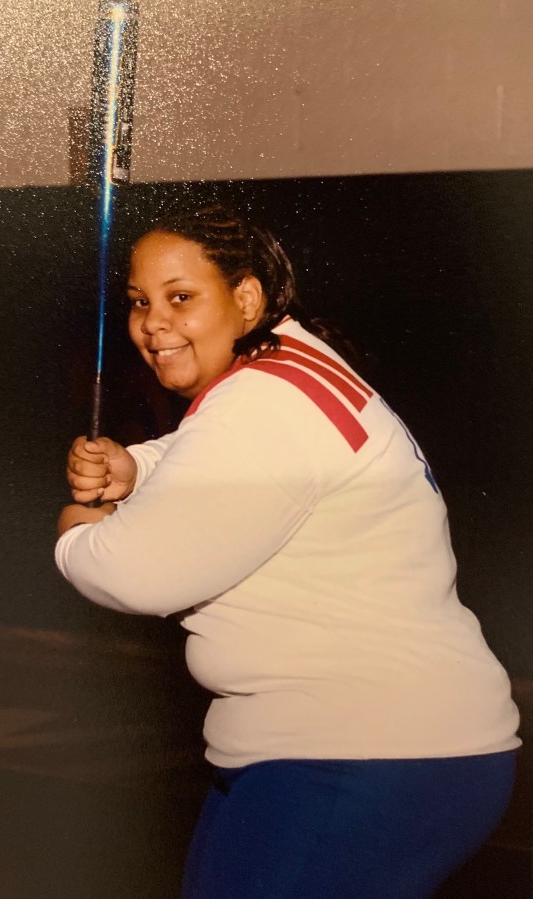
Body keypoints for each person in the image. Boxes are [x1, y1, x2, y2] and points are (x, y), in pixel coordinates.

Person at [55, 205, 521, 899]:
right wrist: (139, 469)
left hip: (359, 754)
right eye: (139, 302)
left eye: (181, 297)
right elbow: (222, 456)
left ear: (244, 298)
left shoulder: (261, 406)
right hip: (378, 748)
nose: (153, 323)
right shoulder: (288, 363)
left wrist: (75, 531)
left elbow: (136, 573)